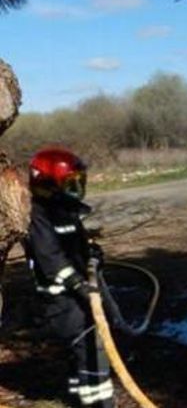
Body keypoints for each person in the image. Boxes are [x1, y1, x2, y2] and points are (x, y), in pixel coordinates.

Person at [24, 147, 114, 408]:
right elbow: (50, 259)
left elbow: (72, 246)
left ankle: (79, 397)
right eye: (70, 183)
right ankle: (98, 403)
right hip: (61, 301)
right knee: (91, 351)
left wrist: (91, 253)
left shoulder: (65, 210)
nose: (77, 189)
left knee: (81, 353)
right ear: (48, 183)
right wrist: (78, 284)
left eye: (79, 182)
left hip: (74, 296)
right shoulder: (38, 216)